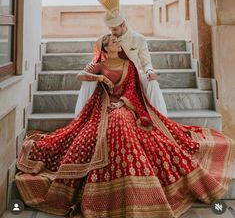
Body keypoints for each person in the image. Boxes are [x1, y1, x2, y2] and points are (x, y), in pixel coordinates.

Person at [16, 34, 235, 218]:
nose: (117, 43)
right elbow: (80, 75)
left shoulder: (128, 65)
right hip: (100, 110)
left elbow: (131, 91)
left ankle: (130, 185)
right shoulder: (99, 65)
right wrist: (100, 79)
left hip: (126, 107)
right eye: (112, 41)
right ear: (104, 46)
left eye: (117, 41)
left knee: (121, 122)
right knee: (86, 137)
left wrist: (121, 103)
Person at [74, 0, 167, 118]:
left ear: (123, 25)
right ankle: (83, 117)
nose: (112, 32)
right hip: (112, 77)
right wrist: (94, 69)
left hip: (133, 77)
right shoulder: (108, 40)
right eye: (110, 29)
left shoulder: (138, 39)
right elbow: (99, 59)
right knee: (88, 80)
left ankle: (160, 118)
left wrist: (150, 71)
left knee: (152, 83)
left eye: (115, 29)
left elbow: (146, 63)